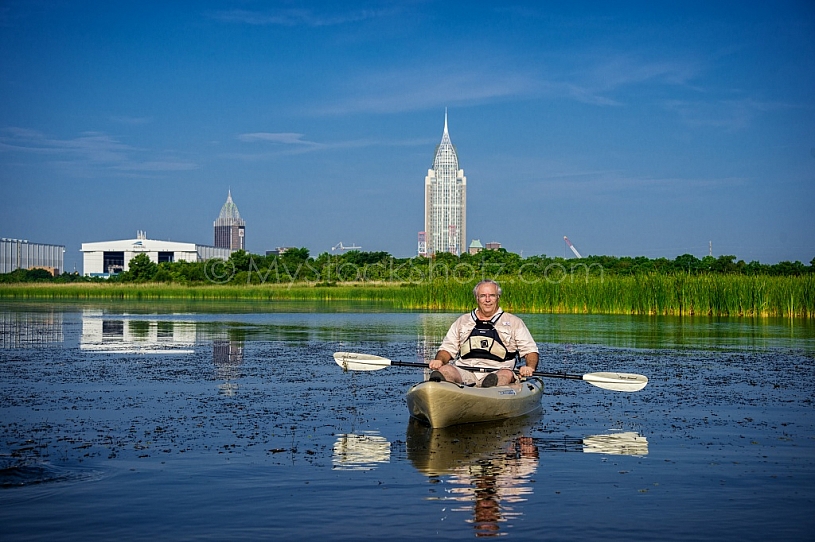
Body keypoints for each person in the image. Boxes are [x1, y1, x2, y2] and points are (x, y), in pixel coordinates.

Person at [428, 279, 539, 387]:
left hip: (499, 371)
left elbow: (530, 351)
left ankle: (490, 387)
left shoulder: (514, 322)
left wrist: (529, 367)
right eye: (483, 296)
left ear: (498, 298)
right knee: (445, 370)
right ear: (477, 298)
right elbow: (447, 349)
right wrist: (439, 360)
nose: (487, 300)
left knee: (505, 374)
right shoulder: (462, 321)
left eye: (492, 295)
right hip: (464, 371)